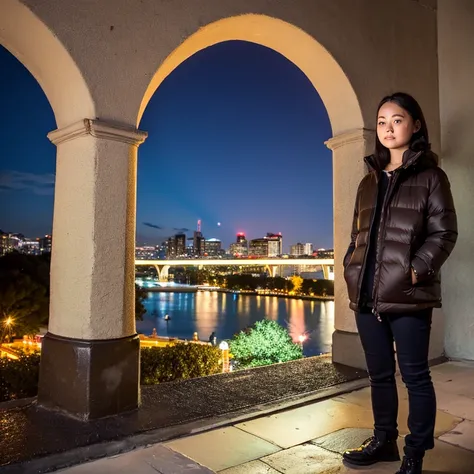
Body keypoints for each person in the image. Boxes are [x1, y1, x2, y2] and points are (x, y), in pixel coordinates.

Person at [342, 92, 457, 474]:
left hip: (407, 294)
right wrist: (351, 268)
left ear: (416, 124)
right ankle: (384, 440)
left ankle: (415, 453)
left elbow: (444, 233)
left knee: (415, 377)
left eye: (397, 119)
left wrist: (415, 270)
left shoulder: (431, 177)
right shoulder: (367, 182)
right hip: (366, 297)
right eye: (381, 122)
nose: (388, 128)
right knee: (378, 376)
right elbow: (356, 237)